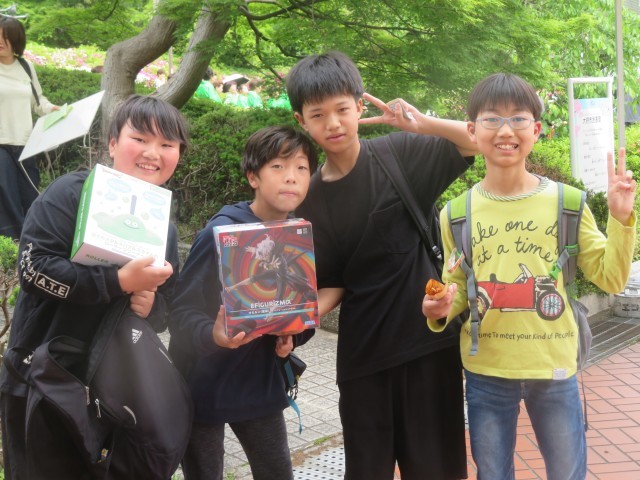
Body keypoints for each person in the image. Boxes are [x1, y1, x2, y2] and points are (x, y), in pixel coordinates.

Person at [422, 73, 637, 480]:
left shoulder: (567, 203)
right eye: (492, 119)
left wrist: (621, 219)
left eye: (518, 118)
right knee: (493, 474)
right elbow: (461, 288)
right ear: (472, 130)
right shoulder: (456, 213)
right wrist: (440, 308)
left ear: (536, 130)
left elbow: (611, 279)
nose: (506, 131)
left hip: (553, 367)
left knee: (567, 473)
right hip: (486, 370)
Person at [287, 50, 478, 480]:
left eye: (342, 109)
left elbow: (475, 141)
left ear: (359, 106)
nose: (333, 123)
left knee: (438, 472)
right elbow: (332, 283)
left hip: (428, 351)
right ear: (302, 121)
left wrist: (423, 124)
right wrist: (291, 321)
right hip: (363, 362)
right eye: (318, 115)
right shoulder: (309, 200)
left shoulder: (400, 155)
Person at [0, 94, 189, 480]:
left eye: (167, 144)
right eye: (140, 138)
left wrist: (150, 304)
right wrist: (118, 281)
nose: (153, 153)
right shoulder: (70, 194)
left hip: (113, 393)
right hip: (42, 377)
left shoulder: (163, 228)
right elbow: (33, 270)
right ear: (113, 144)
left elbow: (165, 309)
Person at [169, 125, 342, 480]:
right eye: (278, 166)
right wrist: (213, 335)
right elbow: (181, 312)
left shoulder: (298, 239)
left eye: (301, 168)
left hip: (260, 385)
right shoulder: (220, 233)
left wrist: (291, 338)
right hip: (203, 385)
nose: (291, 177)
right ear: (253, 177)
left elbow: (300, 310)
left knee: (277, 472)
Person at [0, 16, 59, 241]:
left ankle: (30, 240)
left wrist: (52, 109)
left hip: (25, 143)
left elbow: (38, 101)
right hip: (1, 143)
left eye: (5, 37)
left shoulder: (26, 67)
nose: (1, 41)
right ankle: (11, 242)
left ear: (16, 40)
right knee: (6, 193)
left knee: (30, 193)